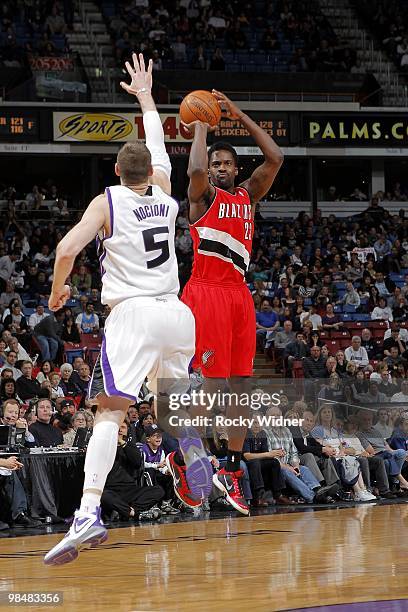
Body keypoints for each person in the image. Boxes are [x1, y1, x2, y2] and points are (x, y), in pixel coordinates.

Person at [44, 54, 201, 565]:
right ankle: (196, 460)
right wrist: (146, 96)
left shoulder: (107, 200)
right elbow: (158, 143)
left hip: (133, 315)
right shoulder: (167, 194)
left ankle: (88, 513)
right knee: (169, 408)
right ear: (151, 172)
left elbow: (67, 250)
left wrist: (56, 293)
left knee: (110, 413)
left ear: (115, 170)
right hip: (178, 315)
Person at [177, 88, 283, 516]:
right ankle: (191, 465)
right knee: (206, 387)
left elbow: (275, 158)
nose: (219, 168)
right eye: (216, 163)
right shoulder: (202, 198)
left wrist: (238, 113)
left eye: (227, 164)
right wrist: (202, 123)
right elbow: (196, 169)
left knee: (241, 385)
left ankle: (232, 469)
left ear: (237, 169)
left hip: (239, 295)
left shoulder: (247, 197)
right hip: (205, 292)